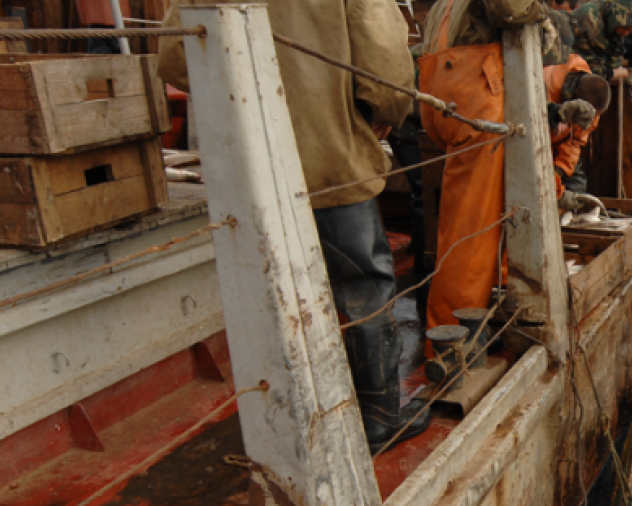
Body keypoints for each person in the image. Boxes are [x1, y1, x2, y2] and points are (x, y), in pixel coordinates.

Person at [158, 0, 429, 455]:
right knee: (363, 282)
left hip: (251, 161)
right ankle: (380, 415)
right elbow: (382, 60)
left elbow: (175, 57)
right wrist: (387, 108)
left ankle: (292, 421)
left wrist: (242, 86)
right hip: (329, 155)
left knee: (274, 291)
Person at [414, 0, 548, 356]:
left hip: (447, 90)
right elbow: (513, 7)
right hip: (475, 100)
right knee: (469, 239)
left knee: (492, 219)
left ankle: (496, 318)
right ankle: (448, 348)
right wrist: (542, 11)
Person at [543, 55, 610, 205]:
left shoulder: (590, 110)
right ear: (577, 94)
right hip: (538, 145)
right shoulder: (545, 85)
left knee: (578, 189)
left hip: (561, 148)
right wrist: (555, 190)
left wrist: (558, 171)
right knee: (544, 193)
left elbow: (575, 143)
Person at [569, 0, 632, 112]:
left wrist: (626, 74)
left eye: (630, 31)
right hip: (570, 82)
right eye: (626, 29)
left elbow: (614, 56)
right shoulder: (590, 21)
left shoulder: (612, 23)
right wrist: (613, 73)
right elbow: (587, 71)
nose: (625, 34)